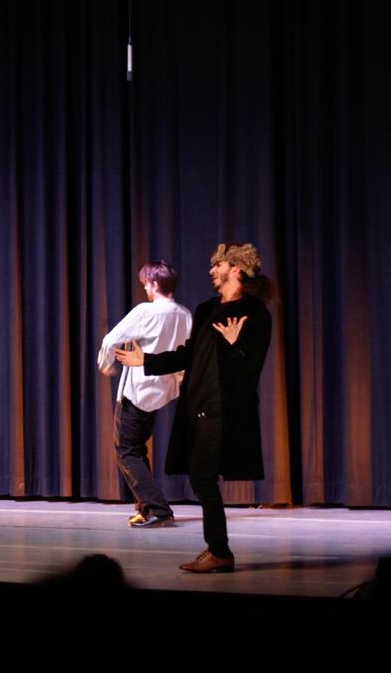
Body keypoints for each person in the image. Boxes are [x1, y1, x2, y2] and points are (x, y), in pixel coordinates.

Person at [116, 243, 273, 573]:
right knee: (201, 479)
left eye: (220, 265)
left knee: (203, 479)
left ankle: (220, 552)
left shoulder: (255, 313)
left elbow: (251, 366)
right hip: (198, 405)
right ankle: (217, 550)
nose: (212, 270)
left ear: (238, 271)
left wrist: (235, 345)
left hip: (225, 409)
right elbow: (187, 355)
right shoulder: (206, 309)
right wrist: (147, 360)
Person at [96, 261, 192, 528]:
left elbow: (110, 339)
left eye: (146, 284)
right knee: (136, 450)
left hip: (136, 392)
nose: (145, 289)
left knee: (126, 451)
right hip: (160, 392)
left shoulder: (147, 311)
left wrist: (106, 366)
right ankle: (146, 507)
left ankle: (159, 509)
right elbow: (186, 355)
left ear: (155, 284)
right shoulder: (184, 314)